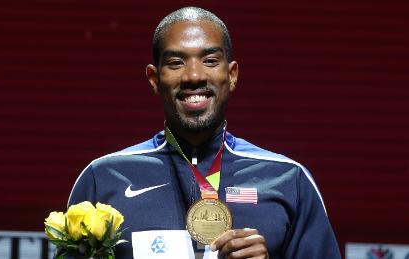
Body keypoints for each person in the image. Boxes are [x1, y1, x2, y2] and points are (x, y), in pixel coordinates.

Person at [68, 6, 341, 259]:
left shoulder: (289, 179)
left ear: (232, 75)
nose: (194, 76)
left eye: (210, 60)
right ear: (154, 79)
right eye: (176, 63)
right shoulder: (103, 178)